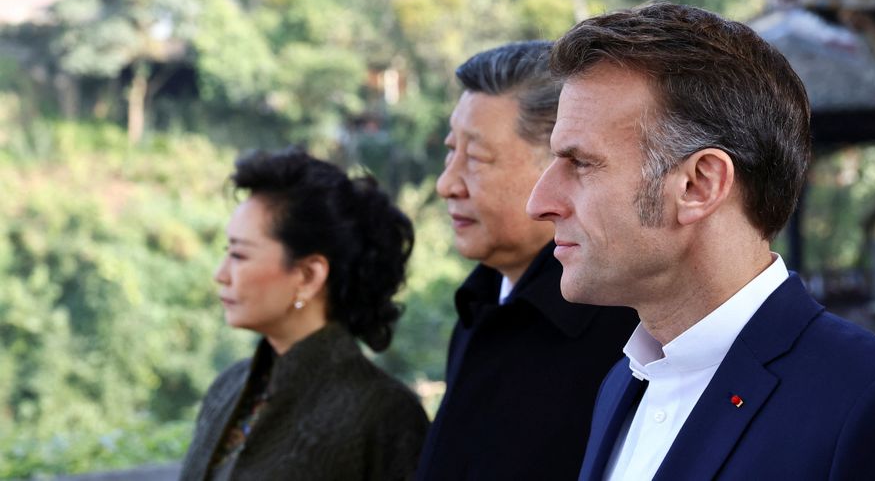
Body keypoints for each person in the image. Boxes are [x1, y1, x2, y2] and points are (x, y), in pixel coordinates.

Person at [526, 2, 875, 480]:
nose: (540, 202)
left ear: (700, 185)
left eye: (581, 163)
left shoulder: (873, 408)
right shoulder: (621, 384)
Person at [416, 41, 638, 480]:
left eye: (476, 158)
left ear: (561, 163)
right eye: (450, 151)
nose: (447, 184)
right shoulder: (479, 304)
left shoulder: (625, 330)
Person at [180, 149, 428, 481]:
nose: (220, 274)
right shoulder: (228, 387)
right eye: (227, 253)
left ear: (309, 276)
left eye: (239, 255)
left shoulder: (385, 413)